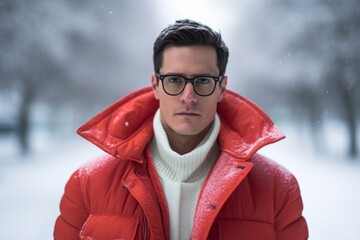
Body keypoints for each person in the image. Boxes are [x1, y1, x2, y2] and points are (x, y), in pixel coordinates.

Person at [54, 19, 308, 240]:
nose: (188, 96)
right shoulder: (87, 184)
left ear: (222, 88)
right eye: (174, 80)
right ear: (155, 85)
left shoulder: (277, 189)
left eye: (203, 81)